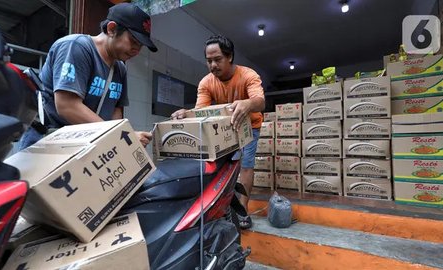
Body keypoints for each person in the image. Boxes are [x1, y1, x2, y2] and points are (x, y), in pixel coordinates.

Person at [19, 3, 156, 149]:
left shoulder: (120, 69)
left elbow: (115, 111)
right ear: (111, 29)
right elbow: (67, 105)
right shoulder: (76, 47)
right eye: (134, 41)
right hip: (49, 140)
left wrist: (122, 140)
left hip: (85, 144)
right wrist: (120, 135)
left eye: (140, 46)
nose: (136, 50)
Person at [172, 35, 265, 229]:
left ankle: (243, 211)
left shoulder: (248, 75)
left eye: (217, 59)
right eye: (209, 61)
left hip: (250, 126)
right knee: (223, 166)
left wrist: (247, 104)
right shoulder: (206, 83)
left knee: (246, 165)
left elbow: (261, 102)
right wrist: (186, 114)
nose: (213, 65)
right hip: (225, 128)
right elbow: (199, 112)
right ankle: (221, 206)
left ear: (229, 56)